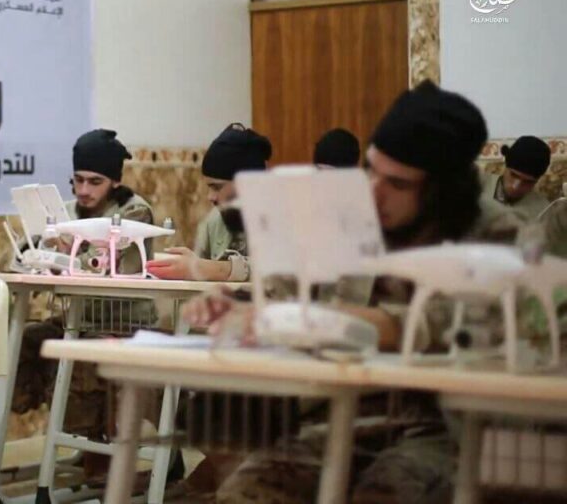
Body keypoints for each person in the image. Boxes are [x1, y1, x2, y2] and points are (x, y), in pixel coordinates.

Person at [184, 80, 523, 504]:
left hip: (445, 422)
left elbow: (449, 323)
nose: (376, 191)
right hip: (345, 410)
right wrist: (248, 311)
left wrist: (328, 321)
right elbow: (287, 294)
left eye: (397, 183)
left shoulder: (495, 232)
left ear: (442, 191)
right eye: (372, 170)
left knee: (385, 491)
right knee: (247, 493)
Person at [12, 129, 158, 474]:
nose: (83, 191)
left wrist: (66, 248)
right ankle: (76, 433)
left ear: (115, 182)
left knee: (79, 357)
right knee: (25, 340)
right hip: (77, 318)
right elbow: (28, 250)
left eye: (95, 181)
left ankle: (93, 444)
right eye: (77, 180)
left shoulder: (134, 212)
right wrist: (35, 252)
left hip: (124, 324)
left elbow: (101, 263)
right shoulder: (65, 212)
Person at [148, 123, 272, 282]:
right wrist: (194, 267)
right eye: (209, 187)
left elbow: (285, 276)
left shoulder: (283, 219)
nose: (210, 197)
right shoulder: (214, 222)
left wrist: (216, 269)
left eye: (217, 187)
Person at [480, 135, 552, 223]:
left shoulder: (543, 210)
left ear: (536, 182)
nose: (515, 187)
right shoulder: (475, 186)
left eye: (527, 182)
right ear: (505, 168)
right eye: (514, 175)